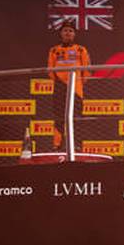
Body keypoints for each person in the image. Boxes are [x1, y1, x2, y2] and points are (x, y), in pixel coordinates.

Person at [44, 22, 90, 152]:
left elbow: (86, 70)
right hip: (59, 87)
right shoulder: (54, 50)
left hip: (76, 89)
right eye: (65, 31)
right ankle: (57, 144)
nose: (68, 33)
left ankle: (76, 144)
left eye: (70, 31)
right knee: (59, 117)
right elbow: (50, 70)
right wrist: (60, 81)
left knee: (76, 117)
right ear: (61, 33)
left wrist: (78, 82)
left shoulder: (81, 49)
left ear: (74, 34)